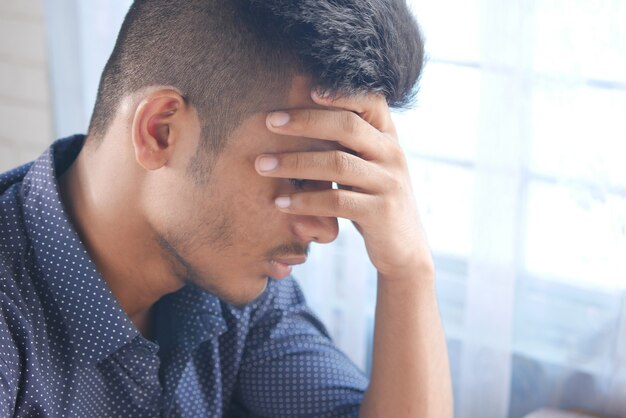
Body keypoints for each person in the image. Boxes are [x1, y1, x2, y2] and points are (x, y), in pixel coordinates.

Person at [0, 0, 453, 416]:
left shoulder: (236, 285)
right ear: (161, 132)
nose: (324, 229)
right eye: (296, 176)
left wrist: (407, 270)